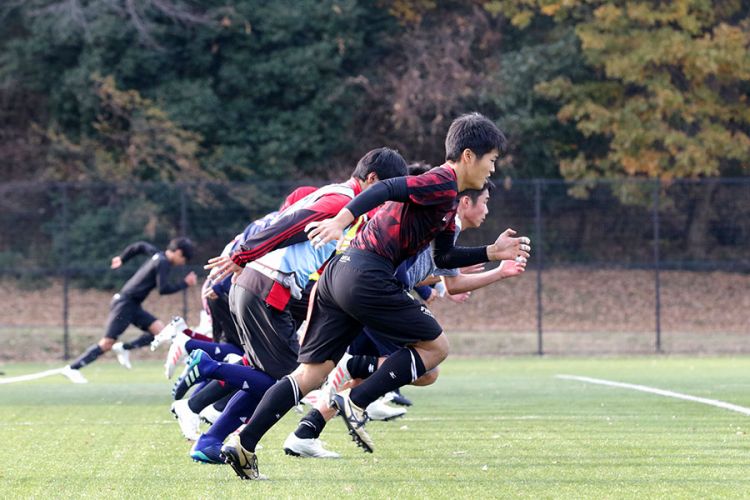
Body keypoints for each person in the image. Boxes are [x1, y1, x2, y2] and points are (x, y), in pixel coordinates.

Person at [218, 112, 531, 480]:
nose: (492, 169)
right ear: (467, 156)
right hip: (366, 274)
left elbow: (444, 257)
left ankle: (243, 443)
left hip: (338, 274)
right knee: (436, 348)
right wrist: (341, 219)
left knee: (311, 373)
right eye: (491, 160)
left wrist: (491, 253)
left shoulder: (447, 200)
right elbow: (385, 188)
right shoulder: (442, 182)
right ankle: (356, 400)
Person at [178, 148, 408, 463]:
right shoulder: (341, 201)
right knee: (288, 382)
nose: (385, 202)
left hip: (261, 286)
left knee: (268, 377)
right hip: (265, 285)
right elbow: (293, 224)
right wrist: (243, 253)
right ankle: (208, 367)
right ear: (372, 179)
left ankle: (210, 440)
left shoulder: (341, 203)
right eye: (384, 192)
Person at [284, 179, 528, 457]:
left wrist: (500, 272)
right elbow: (403, 267)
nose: (487, 210)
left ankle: (305, 432)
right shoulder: (441, 221)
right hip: (376, 294)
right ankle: (352, 366)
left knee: (381, 375)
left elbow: (453, 284)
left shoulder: (449, 228)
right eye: (484, 202)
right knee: (425, 369)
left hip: (367, 291)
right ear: (465, 202)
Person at [61, 238, 197, 384]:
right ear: (178, 252)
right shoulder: (163, 262)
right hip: (125, 304)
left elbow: (140, 246)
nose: (183, 263)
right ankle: (73, 368)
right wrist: (185, 284)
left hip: (133, 304)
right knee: (107, 343)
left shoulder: (158, 255)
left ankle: (124, 348)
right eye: (184, 259)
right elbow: (163, 289)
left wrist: (122, 258)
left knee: (160, 332)